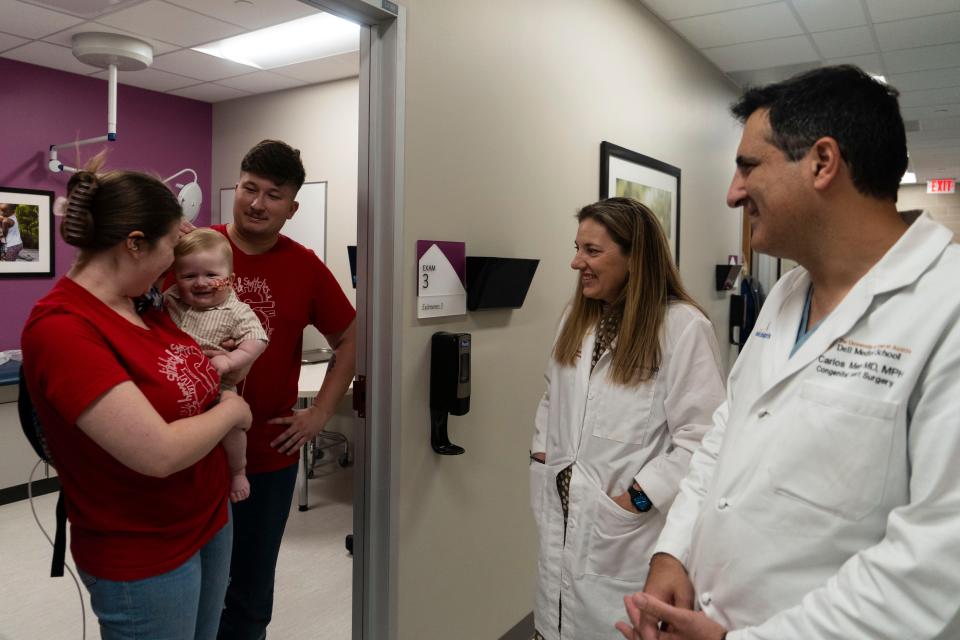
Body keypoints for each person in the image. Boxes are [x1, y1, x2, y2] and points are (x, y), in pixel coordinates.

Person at [617, 65, 960, 640]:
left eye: (749, 166)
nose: (732, 193)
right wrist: (674, 551)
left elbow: (936, 558)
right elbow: (726, 433)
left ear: (823, 163)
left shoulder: (944, 308)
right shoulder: (786, 294)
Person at [21, 166, 252, 640]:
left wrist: (172, 226)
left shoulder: (142, 303)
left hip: (207, 514)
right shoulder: (64, 328)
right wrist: (232, 410)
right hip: (144, 548)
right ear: (133, 243)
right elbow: (158, 453)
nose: (173, 262)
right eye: (168, 247)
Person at [531, 197, 726, 639]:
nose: (575, 261)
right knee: (553, 621)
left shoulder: (682, 327)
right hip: (562, 517)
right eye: (577, 247)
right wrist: (541, 455)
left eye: (592, 251)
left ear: (636, 257)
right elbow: (551, 396)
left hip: (627, 531)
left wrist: (639, 497)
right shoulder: (574, 320)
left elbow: (703, 437)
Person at [213, 139, 356, 640]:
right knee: (190, 588)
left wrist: (320, 411)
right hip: (189, 451)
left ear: (292, 208)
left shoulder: (305, 266)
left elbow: (352, 335)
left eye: (273, 195)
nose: (257, 203)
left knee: (250, 593)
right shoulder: (193, 249)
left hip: (267, 457)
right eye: (249, 188)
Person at [165, 228, 269, 503]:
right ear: (176, 277)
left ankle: (238, 470)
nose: (201, 283)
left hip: (218, 385)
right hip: (177, 386)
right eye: (189, 276)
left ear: (230, 280)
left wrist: (231, 360)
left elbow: (258, 339)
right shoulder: (171, 300)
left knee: (232, 425)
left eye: (211, 275)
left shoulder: (236, 310)